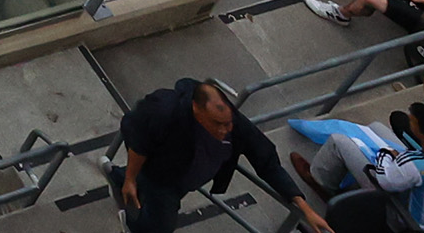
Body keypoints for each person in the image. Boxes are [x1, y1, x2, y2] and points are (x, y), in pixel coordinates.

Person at [118, 79, 326, 233]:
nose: (225, 130)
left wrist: (304, 207)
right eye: (217, 124)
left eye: (228, 123)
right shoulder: (166, 112)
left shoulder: (234, 125)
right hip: (163, 178)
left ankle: (120, 178)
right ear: (196, 110)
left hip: (184, 176)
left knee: (141, 189)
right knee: (160, 226)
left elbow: (267, 162)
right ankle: (130, 217)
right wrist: (130, 178)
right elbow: (139, 143)